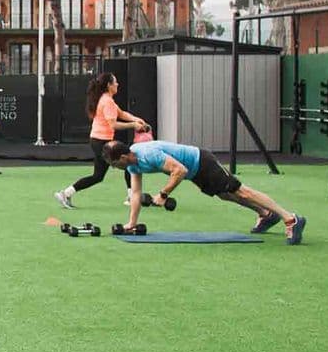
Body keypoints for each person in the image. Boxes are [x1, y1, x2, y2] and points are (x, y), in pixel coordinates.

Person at [103, 139, 307, 245]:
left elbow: (179, 170)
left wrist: (163, 195)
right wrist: (131, 223)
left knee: (241, 191)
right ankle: (265, 214)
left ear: (123, 157)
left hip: (202, 161)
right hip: (195, 173)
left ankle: (290, 218)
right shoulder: (132, 166)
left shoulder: (148, 154)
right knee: (225, 195)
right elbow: (136, 194)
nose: (113, 167)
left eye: (114, 163)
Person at [53, 72, 148, 209]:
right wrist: (133, 125)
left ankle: (65, 194)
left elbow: (121, 113)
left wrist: (136, 119)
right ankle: (131, 197)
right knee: (129, 161)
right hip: (102, 142)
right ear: (109, 85)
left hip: (99, 141)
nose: (117, 84)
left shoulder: (106, 99)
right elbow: (113, 124)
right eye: (115, 82)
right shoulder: (107, 101)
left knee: (98, 176)